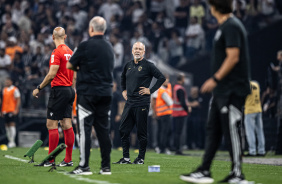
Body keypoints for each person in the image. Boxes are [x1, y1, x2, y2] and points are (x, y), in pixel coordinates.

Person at [180, 0, 251, 183]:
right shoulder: (224, 27)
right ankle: (204, 170)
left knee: (231, 131)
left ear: (214, 7)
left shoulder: (232, 26)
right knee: (213, 130)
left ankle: (237, 174)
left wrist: (215, 79)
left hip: (232, 89)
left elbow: (233, 57)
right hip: (221, 91)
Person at [67, 16, 114, 175]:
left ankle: (84, 166)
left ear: (91, 29)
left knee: (85, 130)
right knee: (103, 131)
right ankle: (106, 167)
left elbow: (70, 65)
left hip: (88, 93)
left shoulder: (85, 45)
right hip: (106, 93)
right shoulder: (109, 47)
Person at [113, 41, 165, 165]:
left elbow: (161, 77)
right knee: (123, 130)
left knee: (141, 131)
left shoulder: (148, 65)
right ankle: (126, 158)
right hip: (129, 102)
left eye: (140, 49)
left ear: (144, 52)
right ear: (132, 51)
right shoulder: (128, 65)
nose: (137, 51)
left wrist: (150, 90)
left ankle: (140, 158)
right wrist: (124, 90)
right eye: (135, 48)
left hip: (142, 103)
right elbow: (122, 78)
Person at [32, 27, 75, 167]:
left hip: (59, 90)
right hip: (70, 89)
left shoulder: (56, 52)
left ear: (52, 37)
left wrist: (39, 88)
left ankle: (50, 160)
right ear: (65, 36)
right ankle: (68, 160)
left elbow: (51, 74)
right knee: (66, 124)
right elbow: (75, 75)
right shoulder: (71, 52)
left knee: (51, 124)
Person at [152, 74, 173, 154]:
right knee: (162, 131)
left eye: (167, 79)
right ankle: (161, 147)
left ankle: (164, 147)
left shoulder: (169, 87)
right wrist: (154, 112)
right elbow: (153, 101)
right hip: (161, 113)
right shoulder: (158, 88)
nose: (166, 81)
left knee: (167, 131)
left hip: (168, 112)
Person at [244, 81, 265, 156]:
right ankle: (261, 151)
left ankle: (252, 151)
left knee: (250, 132)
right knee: (260, 131)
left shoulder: (245, 85)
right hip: (258, 109)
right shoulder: (256, 84)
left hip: (250, 110)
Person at [172, 74, 190, 155]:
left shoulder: (175, 87)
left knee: (176, 132)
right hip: (180, 113)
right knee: (179, 132)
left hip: (175, 113)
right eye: (184, 78)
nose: (185, 80)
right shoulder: (180, 89)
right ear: (182, 79)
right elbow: (182, 102)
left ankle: (176, 148)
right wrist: (187, 109)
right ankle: (178, 150)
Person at [1, 78, 20, 148]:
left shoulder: (15, 89)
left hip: (12, 110)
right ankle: (10, 141)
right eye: (6, 81)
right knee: (6, 126)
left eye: (8, 81)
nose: (6, 82)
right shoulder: (4, 90)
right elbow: (3, 100)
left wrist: (16, 109)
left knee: (12, 125)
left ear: (11, 81)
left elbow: (18, 99)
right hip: (5, 110)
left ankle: (12, 141)